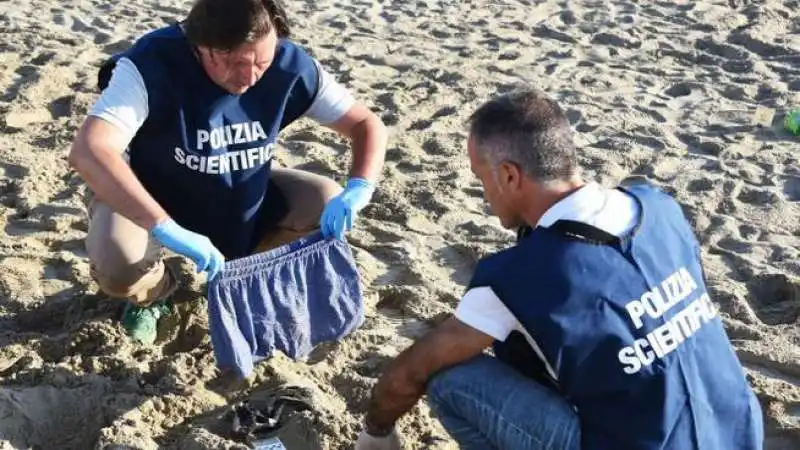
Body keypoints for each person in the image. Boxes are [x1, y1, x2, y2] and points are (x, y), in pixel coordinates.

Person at [354, 87, 763, 450]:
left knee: (451, 380)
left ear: (510, 175)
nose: (483, 194)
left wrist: (376, 428)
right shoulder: (660, 207)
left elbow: (411, 373)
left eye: (482, 179)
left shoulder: (519, 274)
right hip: (738, 431)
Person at [68, 0, 387, 345]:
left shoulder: (290, 65)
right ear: (200, 46)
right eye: (236, 63)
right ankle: (155, 296)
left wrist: (360, 187)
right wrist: (164, 227)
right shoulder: (150, 64)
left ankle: (245, 277)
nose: (249, 77)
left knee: (326, 200)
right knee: (120, 266)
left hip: (235, 188)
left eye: (261, 64)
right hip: (151, 193)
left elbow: (366, 123)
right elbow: (90, 151)